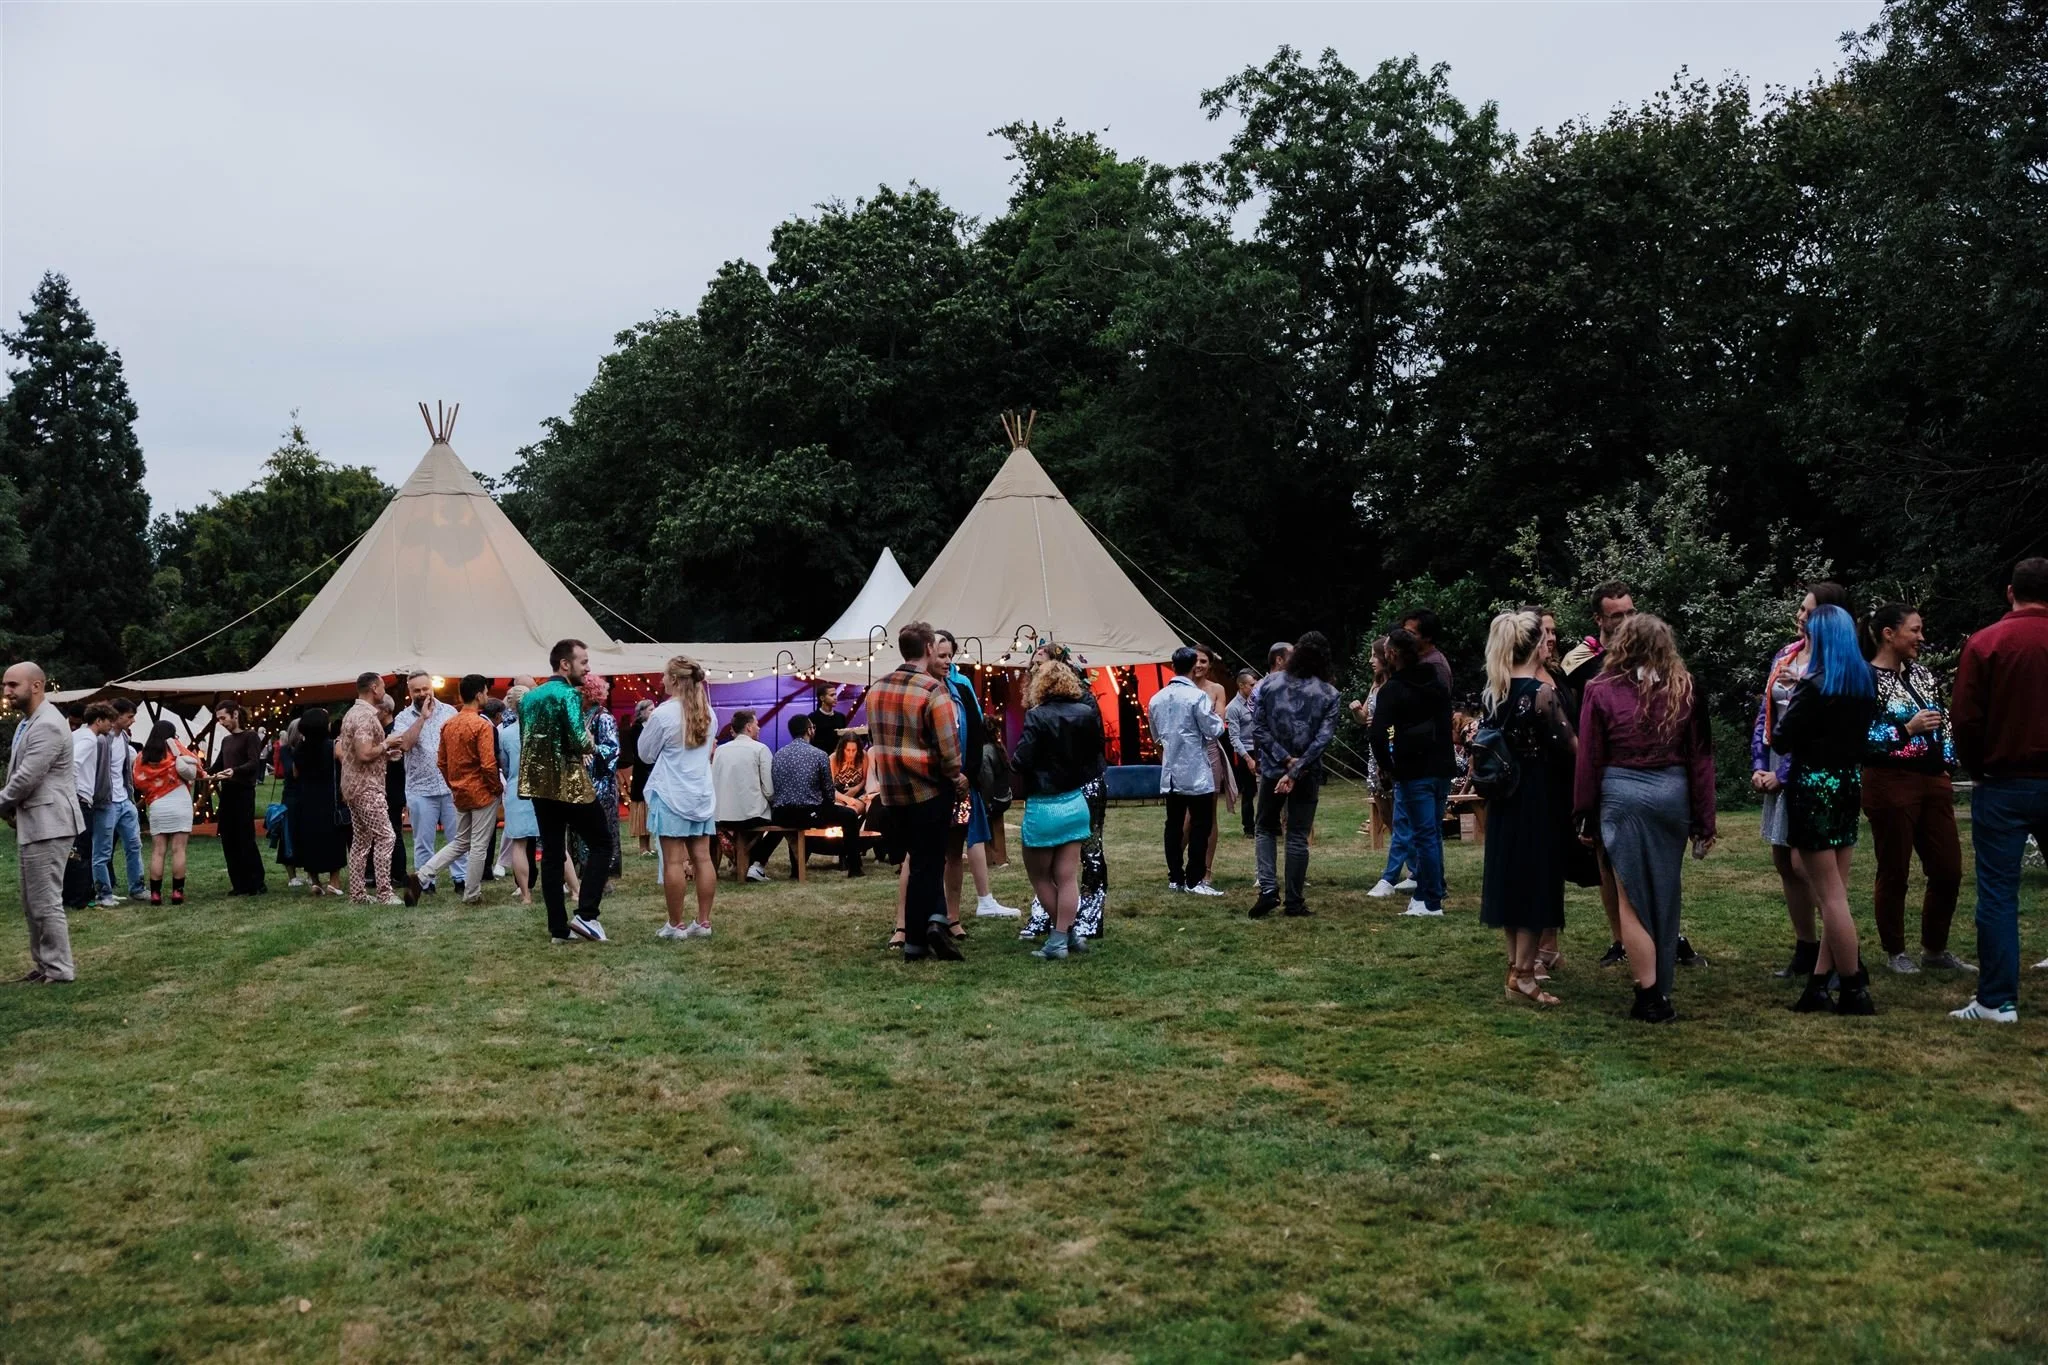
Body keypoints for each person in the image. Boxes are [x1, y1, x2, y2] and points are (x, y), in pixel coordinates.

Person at [1573, 614, 1717, 1023]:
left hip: (1622, 796)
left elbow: (1590, 758)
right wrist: (1705, 820)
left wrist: (1583, 812)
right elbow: (1701, 759)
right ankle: (1658, 986)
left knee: (1629, 901)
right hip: (1672, 796)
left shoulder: (1598, 689)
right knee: (1665, 894)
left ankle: (1650, 995)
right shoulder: (1685, 688)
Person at [1948, 557, 2048, 1024]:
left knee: (1998, 892)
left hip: (2004, 781)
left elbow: (1965, 718)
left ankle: (1997, 999)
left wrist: (1976, 766)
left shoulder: (1987, 643)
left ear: (2011, 592)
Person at [1776, 604, 1882, 1014]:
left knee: (1831, 897)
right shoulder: (1863, 682)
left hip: (1813, 786)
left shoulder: (1814, 685)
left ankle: (1854, 986)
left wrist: (1795, 695)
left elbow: (1783, 739)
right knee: (1835, 887)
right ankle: (1818, 984)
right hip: (1847, 785)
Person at [1863, 602, 1971, 974]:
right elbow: (1859, 738)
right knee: (1894, 870)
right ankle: (1896, 952)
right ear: (1889, 634)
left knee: (1948, 869)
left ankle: (1935, 950)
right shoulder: (1865, 679)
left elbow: (1943, 722)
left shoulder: (1924, 674)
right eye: (1915, 630)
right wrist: (1906, 730)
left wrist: (1947, 763)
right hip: (1888, 781)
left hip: (1933, 780)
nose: (1921, 638)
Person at [1478, 611, 1579, 1006]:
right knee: (1537, 883)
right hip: (1538, 797)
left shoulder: (1495, 691)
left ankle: (1514, 967)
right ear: (1537, 645)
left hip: (1504, 800)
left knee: (1510, 880)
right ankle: (1523, 975)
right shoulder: (1540, 694)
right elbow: (1572, 748)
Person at [1752, 582, 1851, 980]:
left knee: (1805, 863)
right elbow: (1767, 714)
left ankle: (1837, 952)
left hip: (1808, 768)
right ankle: (1805, 947)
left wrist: (1784, 774)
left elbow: (1814, 729)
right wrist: (1760, 765)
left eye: (1808, 611)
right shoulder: (1786, 655)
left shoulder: (1836, 665)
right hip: (1776, 758)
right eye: (1800, 608)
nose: (1799, 615)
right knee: (1783, 861)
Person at [1559, 582, 1657, 970]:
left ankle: (1660, 931)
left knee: (1652, 859)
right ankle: (1620, 937)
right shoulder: (1581, 663)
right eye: (1617, 615)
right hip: (1601, 771)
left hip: (1647, 770)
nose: (1626, 620)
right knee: (1606, 859)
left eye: (1631, 612)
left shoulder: (1651, 655)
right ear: (1599, 619)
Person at [867, 621, 966, 961]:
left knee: (918, 860)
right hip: (927, 790)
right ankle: (917, 941)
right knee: (928, 862)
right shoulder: (931, 691)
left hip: (892, 792)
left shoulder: (876, 688)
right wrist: (957, 778)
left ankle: (932, 922)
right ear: (927, 649)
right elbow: (949, 750)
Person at [1012, 657, 1106, 960]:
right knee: (1067, 877)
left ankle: (1058, 938)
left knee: (1040, 876)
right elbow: (1095, 756)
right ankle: (1069, 934)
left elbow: (1022, 759)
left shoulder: (1036, 716)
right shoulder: (1085, 713)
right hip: (1076, 801)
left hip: (1044, 804)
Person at [521, 639, 611, 943]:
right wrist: (590, 741)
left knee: (552, 853)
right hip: (570, 784)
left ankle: (558, 929)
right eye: (583, 662)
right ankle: (586, 915)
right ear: (565, 664)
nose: (588, 669)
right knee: (602, 843)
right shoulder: (569, 695)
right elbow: (579, 741)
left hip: (538, 787)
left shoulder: (529, 698)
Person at [1250, 631, 1341, 919]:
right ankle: (1294, 900)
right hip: (1307, 773)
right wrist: (1297, 767)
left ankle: (1267, 888)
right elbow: (1323, 739)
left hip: (1273, 770)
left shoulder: (1268, 685)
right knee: (1298, 835)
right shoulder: (1329, 694)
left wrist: (1283, 759)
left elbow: (1259, 729)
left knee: (1265, 827)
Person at [2, 662, 83, 983]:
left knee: (45, 901)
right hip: (36, 821)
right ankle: (45, 965)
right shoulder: (30, 722)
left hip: (50, 822)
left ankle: (60, 970)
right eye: (4, 685)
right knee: (31, 900)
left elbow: (26, 779)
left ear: (36, 686)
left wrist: (2, 802)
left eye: (12, 685)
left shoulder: (47, 724)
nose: (6, 691)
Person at [1367, 629, 1454, 918]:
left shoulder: (1394, 688)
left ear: (1392, 654)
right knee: (1433, 833)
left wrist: (1387, 767)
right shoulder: (1436, 681)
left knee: (1424, 834)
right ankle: (1433, 890)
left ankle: (1429, 900)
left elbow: (1378, 733)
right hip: (1442, 766)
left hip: (1415, 770)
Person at [933, 631, 1018, 921]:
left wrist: (968, 773)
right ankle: (925, 914)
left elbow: (974, 726)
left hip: (965, 777)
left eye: (948, 655)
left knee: (971, 836)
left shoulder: (962, 685)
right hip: (941, 778)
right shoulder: (934, 685)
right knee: (941, 846)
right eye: (940, 654)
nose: (946, 660)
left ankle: (981, 900)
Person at [641, 655, 719, 940]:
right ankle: (704, 921)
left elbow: (645, 753)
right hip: (700, 792)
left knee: (673, 861)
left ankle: (676, 925)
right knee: (702, 858)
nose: (661, 680)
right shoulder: (709, 713)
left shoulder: (663, 714)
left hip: (673, 791)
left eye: (663, 676)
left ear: (674, 679)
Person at [408, 674, 502, 905]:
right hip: (481, 792)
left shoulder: (449, 723)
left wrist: (454, 783)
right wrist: (496, 788)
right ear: (479, 694)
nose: (487, 696)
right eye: (486, 692)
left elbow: (442, 761)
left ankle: (422, 875)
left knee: (461, 842)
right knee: (478, 845)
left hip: (459, 791)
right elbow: (488, 764)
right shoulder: (481, 725)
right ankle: (471, 893)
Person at [1149, 645, 1226, 896]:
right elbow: (1214, 729)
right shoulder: (1197, 697)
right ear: (1193, 667)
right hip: (1194, 770)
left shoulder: (1156, 698)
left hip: (1170, 771)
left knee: (1173, 824)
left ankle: (1175, 877)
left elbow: (1155, 735)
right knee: (1201, 824)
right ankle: (1194, 879)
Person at [751, 715, 868, 877]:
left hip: (782, 814)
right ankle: (855, 868)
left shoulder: (778, 754)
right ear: (808, 730)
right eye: (812, 727)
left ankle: (758, 865)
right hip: (809, 813)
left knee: (779, 827)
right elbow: (828, 791)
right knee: (849, 816)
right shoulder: (819, 755)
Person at [389, 672, 461, 894]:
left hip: (449, 786)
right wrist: (422, 717)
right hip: (420, 788)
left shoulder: (450, 712)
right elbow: (406, 745)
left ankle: (461, 879)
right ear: (410, 692)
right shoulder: (402, 718)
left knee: (458, 838)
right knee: (423, 840)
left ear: (432, 688)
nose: (422, 694)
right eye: (416, 690)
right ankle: (425, 882)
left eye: (425, 689)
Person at [336, 679, 402, 905]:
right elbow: (364, 753)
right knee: (386, 836)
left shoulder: (352, 713)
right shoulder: (365, 717)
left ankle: (358, 894)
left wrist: (385, 754)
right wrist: (388, 743)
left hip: (353, 786)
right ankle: (384, 893)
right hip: (366, 788)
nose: (384, 691)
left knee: (361, 840)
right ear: (374, 687)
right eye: (383, 686)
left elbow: (357, 754)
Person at [132, 720, 206, 905]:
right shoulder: (175, 748)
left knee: (158, 851)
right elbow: (196, 766)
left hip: (157, 805)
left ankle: (155, 894)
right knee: (178, 850)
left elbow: (138, 781)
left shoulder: (143, 756)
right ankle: (177, 892)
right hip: (180, 801)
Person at [90, 697, 146, 905]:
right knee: (102, 849)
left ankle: (137, 888)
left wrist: (129, 796)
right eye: (129, 717)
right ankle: (103, 892)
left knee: (134, 844)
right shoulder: (100, 740)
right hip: (106, 802)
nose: (132, 721)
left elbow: (123, 770)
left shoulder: (123, 737)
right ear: (117, 715)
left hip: (125, 800)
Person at [288, 706, 347, 898]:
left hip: (306, 797)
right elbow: (344, 764)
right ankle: (334, 881)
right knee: (333, 838)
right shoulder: (333, 745)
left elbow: (295, 773)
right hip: (329, 797)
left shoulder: (299, 748)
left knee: (309, 838)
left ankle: (314, 881)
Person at [212, 701, 269, 896]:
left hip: (243, 792)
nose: (221, 722)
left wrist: (234, 771)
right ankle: (238, 882)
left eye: (223, 718)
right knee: (228, 838)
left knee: (244, 837)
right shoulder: (226, 741)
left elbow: (253, 763)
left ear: (235, 714)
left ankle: (255, 881)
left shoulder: (250, 736)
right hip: (227, 792)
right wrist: (202, 772)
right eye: (218, 718)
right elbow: (218, 764)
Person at [714, 708, 775, 880]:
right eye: (757, 724)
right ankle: (756, 863)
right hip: (752, 815)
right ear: (748, 727)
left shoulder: (720, 750)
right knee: (782, 820)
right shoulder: (761, 749)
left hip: (722, 815)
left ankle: (740, 863)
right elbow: (769, 790)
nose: (759, 727)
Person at [1190, 646, 1237, 871]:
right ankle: (1180, 869)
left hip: (1209, 751)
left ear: (1209, 665)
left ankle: (1206, 870)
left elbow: (1219, 721)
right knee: (1187, 815)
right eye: (1195, 660)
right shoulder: (1178, 687)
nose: (1198, 665)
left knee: (1209, 813)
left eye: (1203, 661)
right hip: (1186, 754)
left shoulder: (1216, 689)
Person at [65, 704, 113, 911]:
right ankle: (80, 898)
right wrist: (73, 793)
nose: (111, 725)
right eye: (109, 721)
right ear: (99, 720)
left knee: (71, 850)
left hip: (75, 797)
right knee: (82, 850)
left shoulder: (77, 735)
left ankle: (69, 895)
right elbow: (74, 764)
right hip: (80, 798)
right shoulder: (89, 739)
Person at [497, 685, 536, 904]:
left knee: (518, 844)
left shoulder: (506, 733)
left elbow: (504, 764)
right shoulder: (542, 729)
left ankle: (525, 894)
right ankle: (575, 888)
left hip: (516, 788)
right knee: (553, 842)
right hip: (541, 789)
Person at [1225, 668, 1260, 838]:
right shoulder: (1233, 708)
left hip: (1261, 748)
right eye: (1252, 685)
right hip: (1245, 750)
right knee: (1249, 791)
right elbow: (1234, 737)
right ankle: (1249, 828)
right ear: (1242, 685)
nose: (1255, 688)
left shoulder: (1257, 702)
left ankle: (1269, 825)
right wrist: (1248, 759)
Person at [625, 698, 655, 858]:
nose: (653, 712)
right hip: (642, 773)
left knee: (650, 809)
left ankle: (649, 845)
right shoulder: (636, 729)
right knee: (642, 809)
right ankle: (643, 847)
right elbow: (639, 752)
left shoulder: (653, 727)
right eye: (650, 710)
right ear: (642, 712)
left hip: (652, 771)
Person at [1399, 608, 1455, 694]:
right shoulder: (1408, 657)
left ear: (1428, 637)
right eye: (1404, 631)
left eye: (1411, 633)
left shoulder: (1437, 666)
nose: (1404, 636)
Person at [809, 683, 850, 755]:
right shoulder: (812, 718)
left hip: (838, 756)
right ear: (822, 698)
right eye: (831, 695)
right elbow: (810, 741)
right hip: (819, 757)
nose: (835, 697)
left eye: (835, 694)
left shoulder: (841, 717)